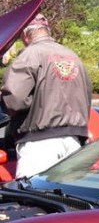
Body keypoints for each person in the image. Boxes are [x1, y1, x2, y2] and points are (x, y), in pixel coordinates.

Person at [0, 13, 92, 178]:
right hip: (74, 143)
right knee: (68, 193)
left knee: (32, 193)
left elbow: (15, 100)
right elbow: (86, 95)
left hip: (39, 145)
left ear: (25, 33)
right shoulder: (72, 55)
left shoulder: (29, 55)